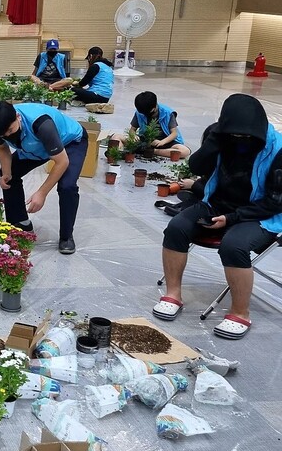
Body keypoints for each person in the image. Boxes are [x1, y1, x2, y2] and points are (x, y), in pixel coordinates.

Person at [153, 94, 282, 340]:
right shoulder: (221, 136)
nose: (241, 140)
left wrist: (232, 218)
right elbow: (197, 167)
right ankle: (173, 294)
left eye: (246, 136)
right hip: (216, 203)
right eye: (235, 135)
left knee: (234, 246)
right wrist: (215, 138)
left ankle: (240, 313)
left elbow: (275, 202)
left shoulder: (278, 150)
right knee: (177, 227)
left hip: (260, 214)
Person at [0, 101, 87, 255]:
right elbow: (1, 147)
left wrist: (41, 193)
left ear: (17, 117)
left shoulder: (42, 124)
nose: (8, 136)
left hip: (70, 142)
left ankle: (66, 236)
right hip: (36, 147)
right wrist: (7, 173)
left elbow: (62, 162)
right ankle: (20, 224)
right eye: (4, 135)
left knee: (67, 186)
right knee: (9, 176)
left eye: (10, 130)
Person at [110, 91, 190, 159]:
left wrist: (162, 142)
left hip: (164, 142)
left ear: (154, 107)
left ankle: (154, 152)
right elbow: (132, 129)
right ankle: (121, 153)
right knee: (116, 137)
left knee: (184, 151)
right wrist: (133, 136)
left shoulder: (168, 113)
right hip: (144, 141)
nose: (145, 115)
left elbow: (174, 133)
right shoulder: (140, 112)